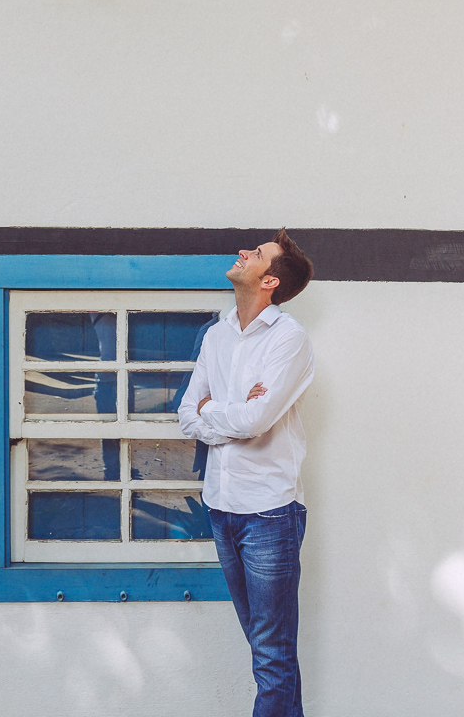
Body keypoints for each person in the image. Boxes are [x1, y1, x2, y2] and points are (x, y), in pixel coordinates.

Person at [178, 230, 315, 717]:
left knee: (272, 656)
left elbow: (256, 423)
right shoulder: (216, 336)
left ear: (271, 279)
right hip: (222, 507)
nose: (243, 254)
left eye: (256, 254)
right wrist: (227, 410)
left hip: (270, 514)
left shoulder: (289, 338)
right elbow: (186, 415)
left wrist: (219, 409)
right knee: (267, 652)